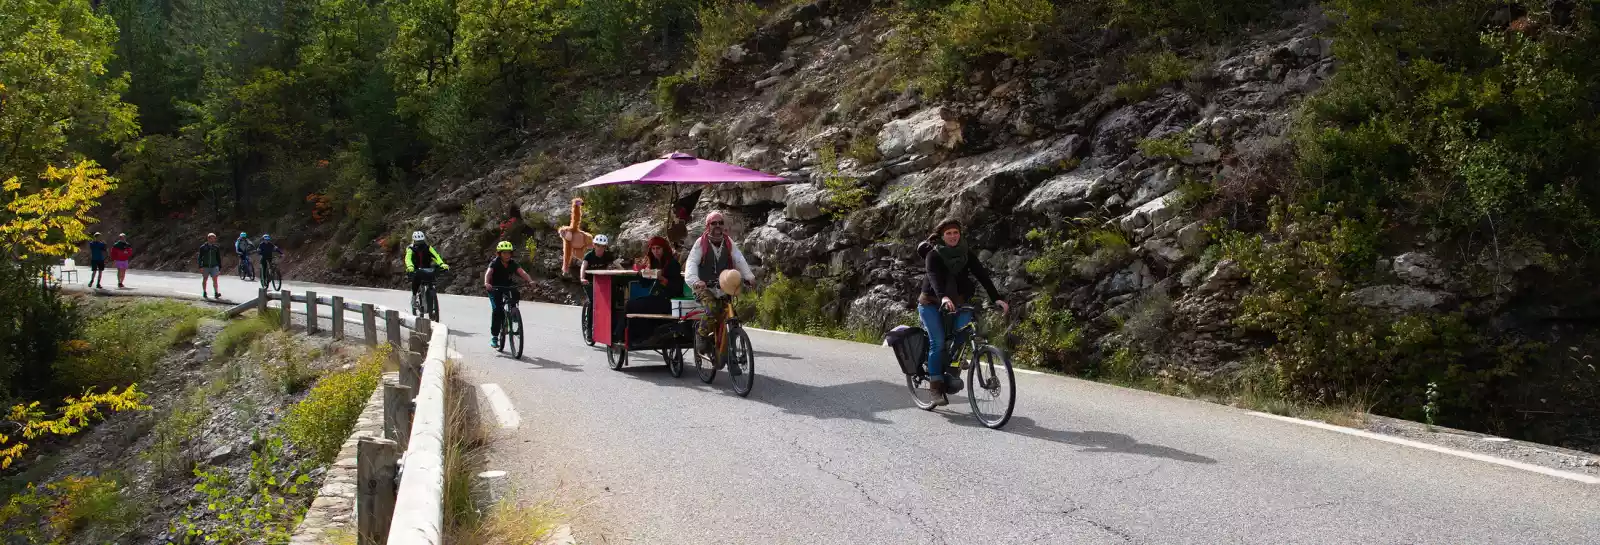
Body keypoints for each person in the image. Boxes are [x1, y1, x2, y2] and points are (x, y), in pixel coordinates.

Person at [916, 218, 1009, 406]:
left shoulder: (966, 254)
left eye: (955, 233)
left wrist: (996, 297)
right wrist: (943, 296)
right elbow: (933, 278)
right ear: (942, 236)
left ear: (960, 234)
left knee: (964, 332)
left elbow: (982, 275)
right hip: (931, 303)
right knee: (938, 342)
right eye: (948, 233)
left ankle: (951, 370)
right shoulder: (933, 255)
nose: (952, 236)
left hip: (957, 303)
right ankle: (935, 387)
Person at [683, 211, 755, 366]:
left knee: (732, 313)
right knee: (713, 308)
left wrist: (749, 276)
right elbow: (691, 264)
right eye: (714, 223)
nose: (717, 226)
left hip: (724, 285)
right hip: (704, 287)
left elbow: (739, 259)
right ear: (708, 226)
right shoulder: (700, 243)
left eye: (720, 223)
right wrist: (695, 281)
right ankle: (701, 334)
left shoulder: (728, 242)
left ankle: (731, 345)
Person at [483, 241, 535, 349]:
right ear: (499, 254)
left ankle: (513, 313)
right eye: (504, 253)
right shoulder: (495, 262)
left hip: (507, 286)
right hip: (494, 288)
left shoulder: (513, 263)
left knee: (515, 292)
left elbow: (522, 272)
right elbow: (488, 273)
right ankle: (495, 336)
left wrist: (530, 281)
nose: (507, 255)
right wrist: (487, 283)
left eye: (508, 253)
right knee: (497, 311)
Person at [405, 231, 450, 299]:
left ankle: (431, 295)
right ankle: (414, 296)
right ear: (414, 240)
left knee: (432, 279)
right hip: (415, 269)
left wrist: (442, 264)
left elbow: (436, 256)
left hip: (427, 269)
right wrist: (410, 266)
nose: (420, 243)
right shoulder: (410, 249)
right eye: (418, 241)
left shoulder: (428, 247)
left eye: (421, 241)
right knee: (416, 281)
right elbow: (408, 259)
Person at [198, 233, 223, 299]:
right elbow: (200, 257)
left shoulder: (216, 247)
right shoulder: (203, 247)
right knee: (205, 279)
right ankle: (204, 292)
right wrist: (200, 266)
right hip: (205, 266)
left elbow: (218, 258)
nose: (213, 240)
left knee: (215, 280)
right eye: (211, 238)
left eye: (214, 238)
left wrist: (219, 267)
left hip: (214, 266)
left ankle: (216, 293)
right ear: (208, 238)